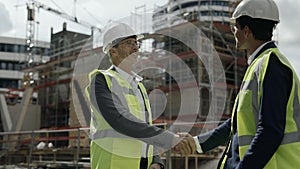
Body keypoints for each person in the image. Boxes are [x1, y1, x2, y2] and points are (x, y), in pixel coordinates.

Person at [179, 0, 300, 168]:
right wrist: (197, 143)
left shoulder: (272, 66)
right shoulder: (260, 65)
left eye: (235, 27)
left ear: (246, 31)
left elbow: (270, 131)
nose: (234, 32)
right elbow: (237, 122)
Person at [85, 23, 194, 169]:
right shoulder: (101, 80)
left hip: (143, 164)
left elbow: (144, 126)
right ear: (113, 51)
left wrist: (156, 160)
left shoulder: (139, 86)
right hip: (113, 164)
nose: (136, 47)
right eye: (129, 43)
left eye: (137, 43)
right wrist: (170, 139)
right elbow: (120, 120)